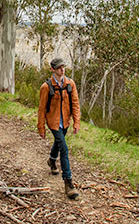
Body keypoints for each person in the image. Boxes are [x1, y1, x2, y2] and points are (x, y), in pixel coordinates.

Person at [37, 57, 81, 199]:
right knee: (64, 148)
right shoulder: (46, 87)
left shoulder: (70, 84)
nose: (62, 70)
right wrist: (41, 127)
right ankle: (68, 183)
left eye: (63, 67)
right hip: (53, 122)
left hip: (65, 121)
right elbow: (42, 109)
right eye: (59, 68)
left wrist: (76, 122)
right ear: (53, 70)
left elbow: (75, 103)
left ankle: (51, 160)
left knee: (58, 143)